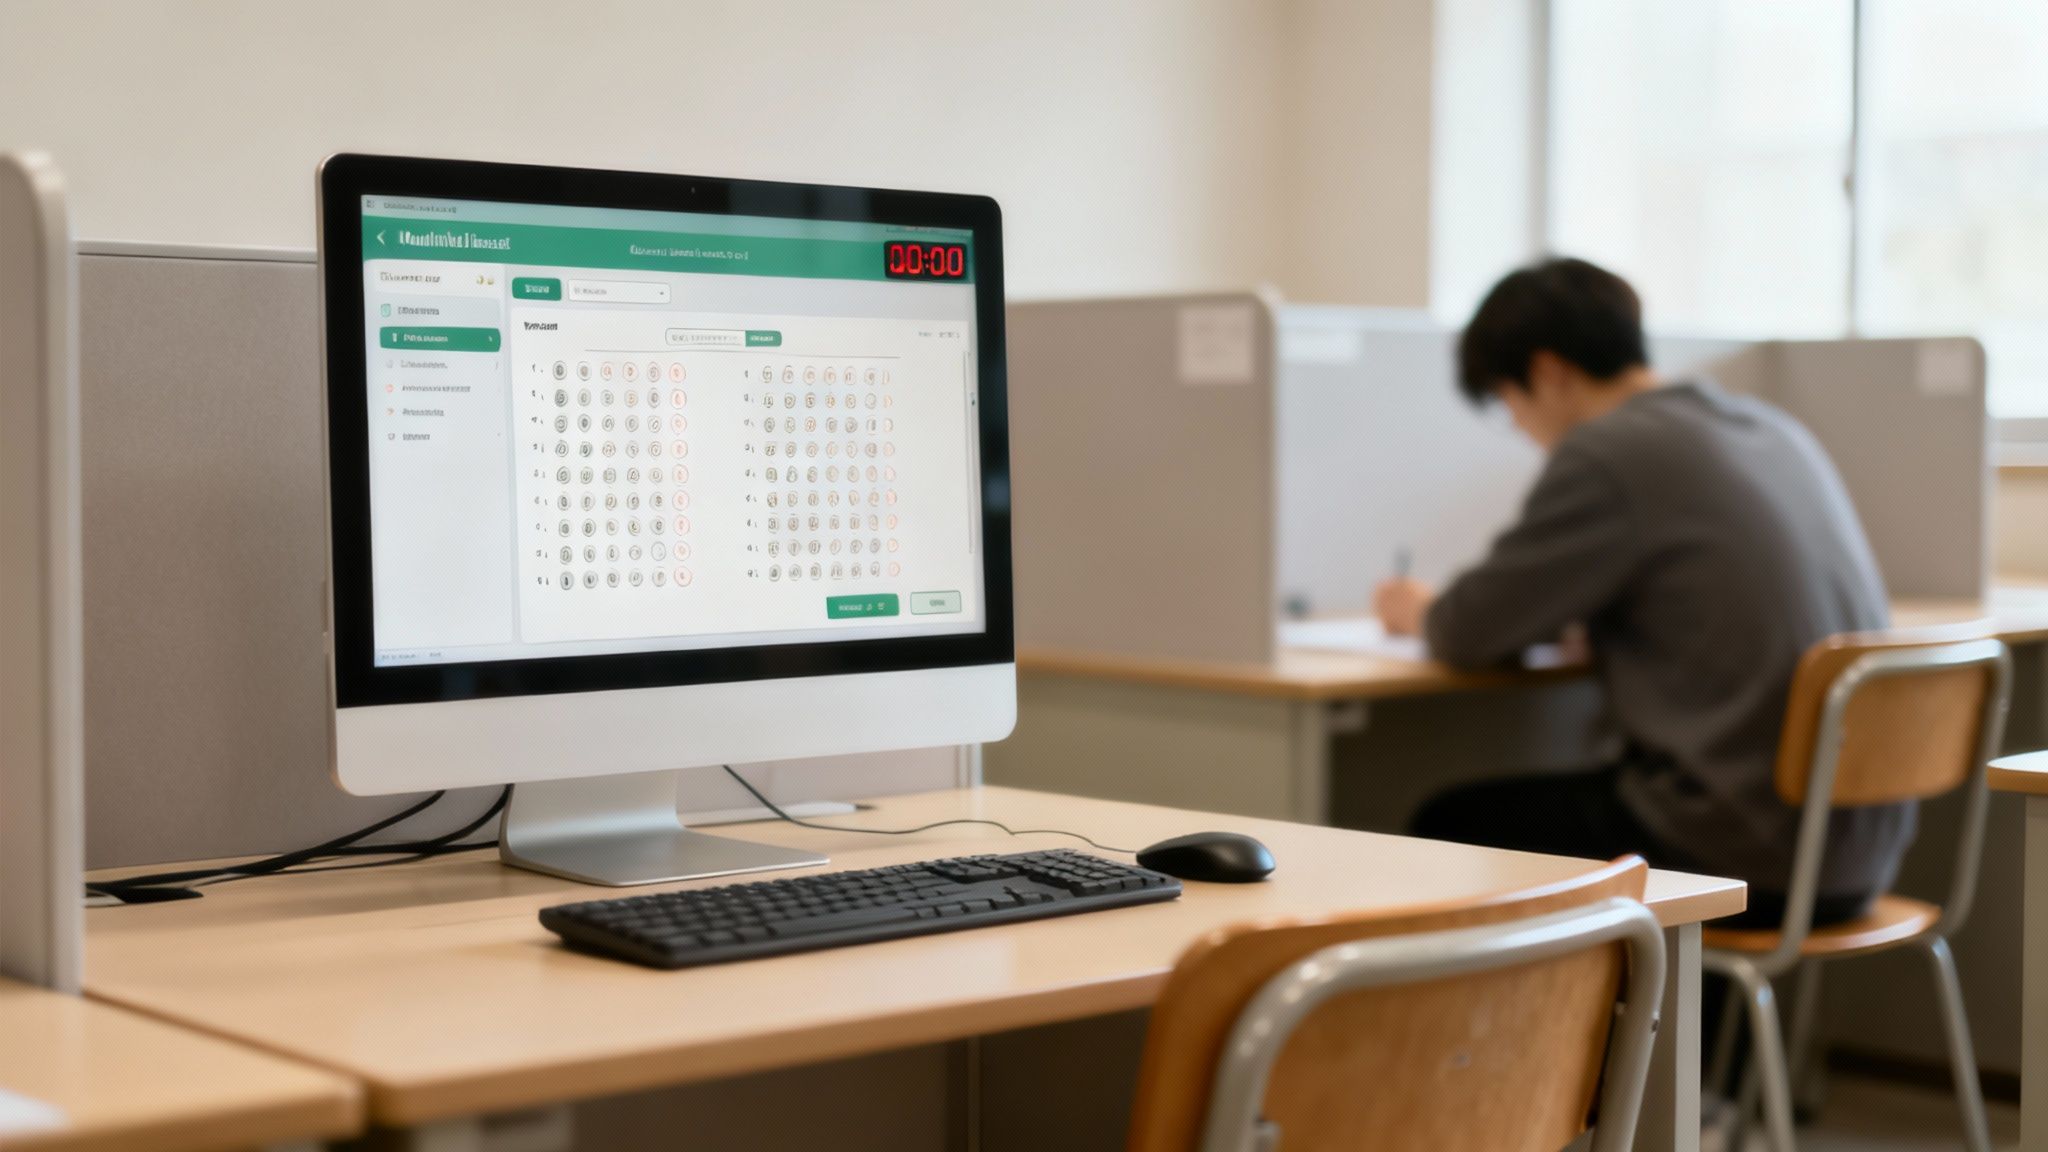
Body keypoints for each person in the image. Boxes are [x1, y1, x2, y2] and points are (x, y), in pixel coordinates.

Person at [1376, 257, 1903, 929]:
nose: (1519, 428)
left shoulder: (1609, 454)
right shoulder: (1770, 430)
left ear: (1548, 372)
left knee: (1447, 822)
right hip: (1855, 846)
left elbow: (1467, 629)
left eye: (1509, 403)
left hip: (1742, 847)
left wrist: (1413, 607)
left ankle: (1530, 1038)